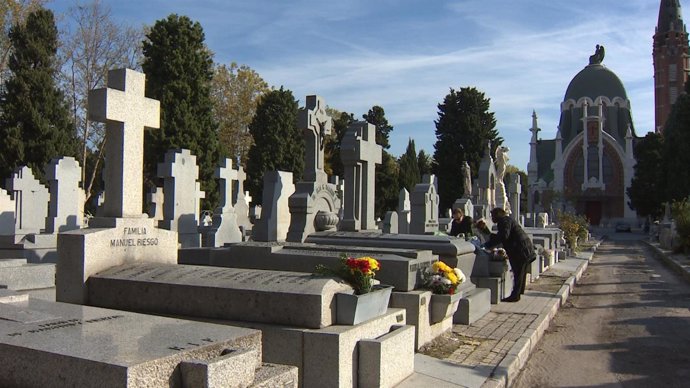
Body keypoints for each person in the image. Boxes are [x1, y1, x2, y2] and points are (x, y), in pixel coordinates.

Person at [481, 207, 536, 302]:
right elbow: (502, 236)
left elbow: (504, 236)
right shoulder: (506, 220)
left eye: (493, 215)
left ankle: (515, 296)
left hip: (521, 250)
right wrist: (487, 232)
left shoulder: (504, 221)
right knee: (520, 273)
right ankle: (518, 293)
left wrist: (487, 245)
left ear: (498, 215)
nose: (492, 218)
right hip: (524, 249)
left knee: (518, 272)